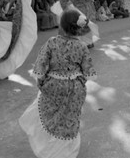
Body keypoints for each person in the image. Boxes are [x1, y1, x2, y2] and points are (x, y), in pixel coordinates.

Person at [19, 9, 97, 158]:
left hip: (53, 86)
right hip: (75, 88)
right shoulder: (82, 46)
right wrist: (78, 82)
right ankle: (68, 151)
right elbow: (87, 71)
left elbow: (41, 66)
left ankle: (51, 151)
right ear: (78, 28)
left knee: (53, 117)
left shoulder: (51, 43)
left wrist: (41, 82)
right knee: (70, 118)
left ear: (61, 26)